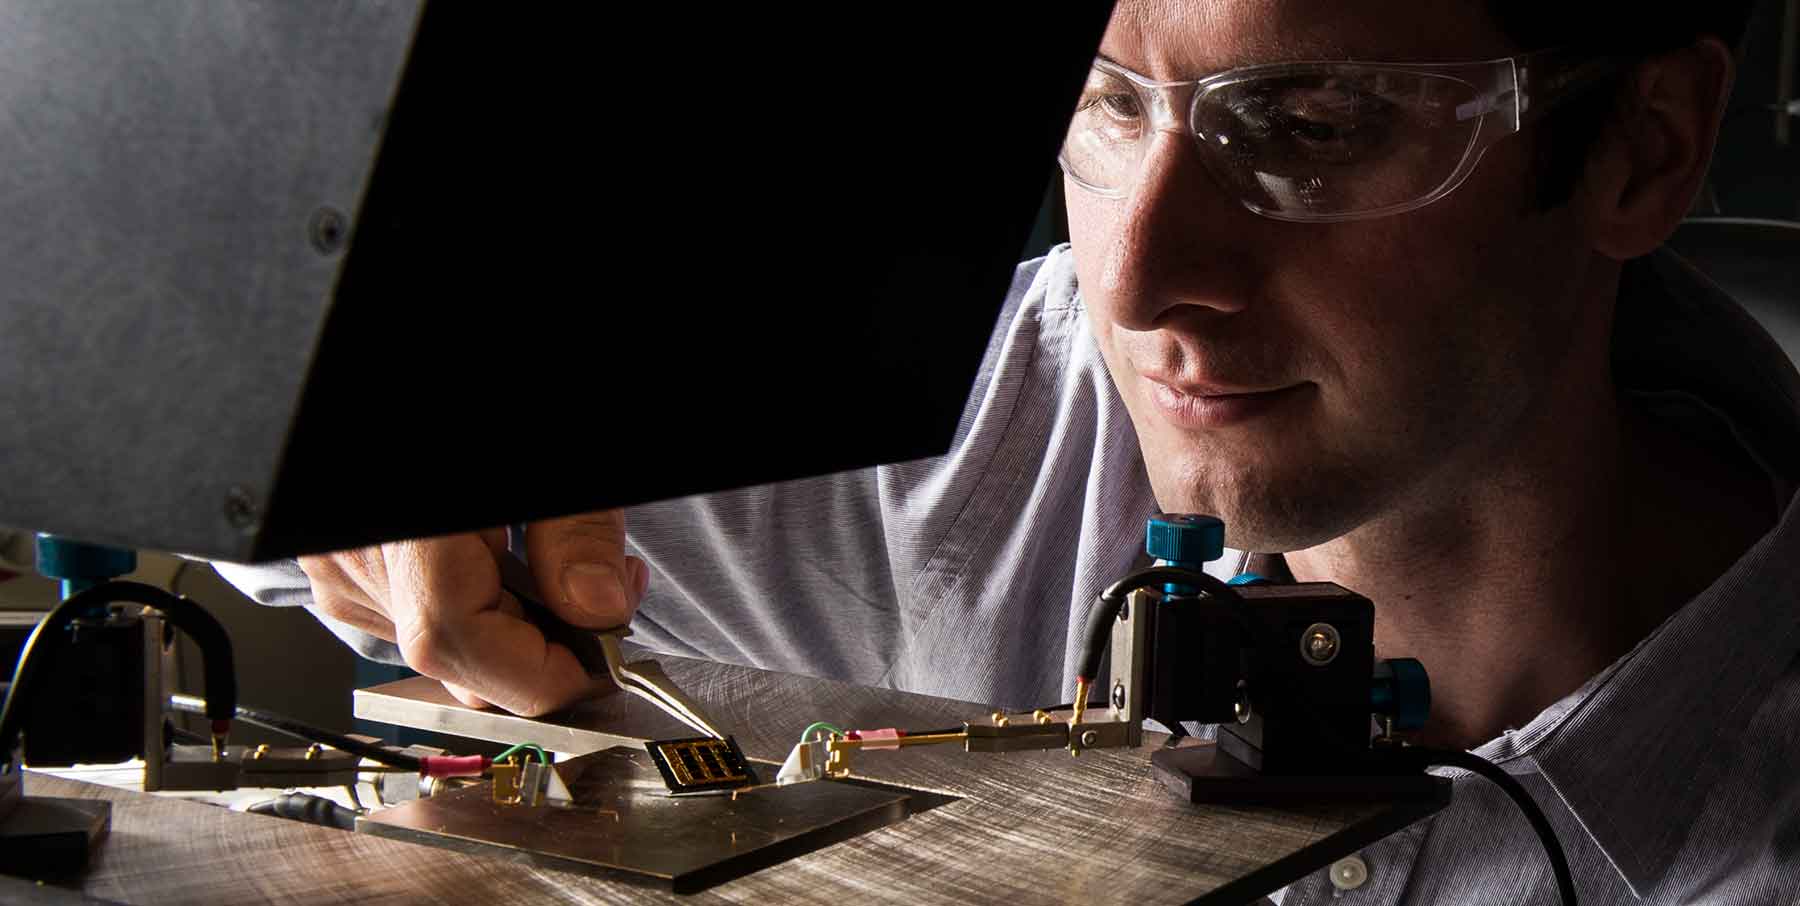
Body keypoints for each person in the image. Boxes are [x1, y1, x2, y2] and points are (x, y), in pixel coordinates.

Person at [217, 1, 1798, 902]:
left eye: (1309, 129)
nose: (1133, 274)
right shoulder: (989, 413)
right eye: (1106, 108)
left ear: (1644, 149)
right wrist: (382, 492)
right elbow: (225, 405)